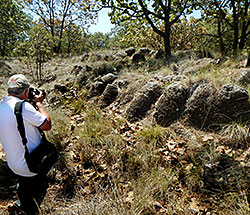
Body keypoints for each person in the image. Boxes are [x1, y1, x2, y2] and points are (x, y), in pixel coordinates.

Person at [0, 74, 52, 215]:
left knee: (24, 183)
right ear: (26, 92)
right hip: (31, 165)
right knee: (40, 186)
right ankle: (29, 209)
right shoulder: (23, 107)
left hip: (13, 164)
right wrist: (39, 103)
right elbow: (47, 125)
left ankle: (21, 202)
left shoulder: (0, 107)